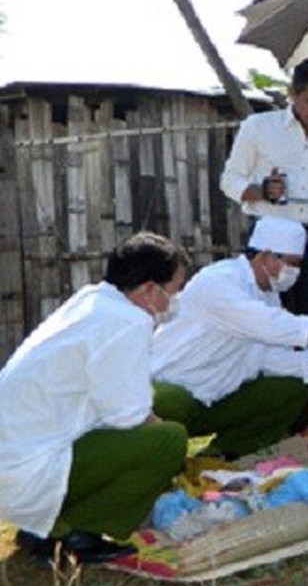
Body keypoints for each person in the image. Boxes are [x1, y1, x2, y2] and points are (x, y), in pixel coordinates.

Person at [0, 232, 188, 564]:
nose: (172, 303)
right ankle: (78, 534)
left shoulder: (94, 299)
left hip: (15, 461)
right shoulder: (128, 321)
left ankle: (44, 526)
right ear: (147, 290)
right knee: (168, 440)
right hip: (27, 471)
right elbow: (127, 415)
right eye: (171, 293)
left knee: (155, 413)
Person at [220, 57, 308, 429]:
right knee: (271, 326)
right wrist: (259, 189)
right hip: (270, 245)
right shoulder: (258, 128)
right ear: (292, 94)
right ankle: (272, 413)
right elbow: (229, 180)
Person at [151, 217, 308, 459]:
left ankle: (222, 456)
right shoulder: (220, 281)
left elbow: (268, 359)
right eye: (292, 264)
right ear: (266, 256)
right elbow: (271, 326)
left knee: (290, 390)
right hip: (174, 390)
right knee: (169, 401)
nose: (296, 272)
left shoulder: (267, 295)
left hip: (217, 395)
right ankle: (163, 461)